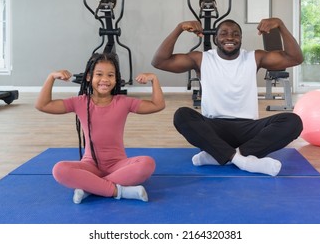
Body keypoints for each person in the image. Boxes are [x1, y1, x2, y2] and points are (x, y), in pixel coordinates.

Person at [151, 18, 303, 176]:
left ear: (241, 39)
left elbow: (295, 58)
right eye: (224, 33)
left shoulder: (254, 57)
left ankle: (220, 156)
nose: (230, 37)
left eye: (235, 34)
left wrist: (281, 25)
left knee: (293, 122)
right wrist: (179, 28)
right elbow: (160, 61)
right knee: (182, 115)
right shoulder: (201, 59)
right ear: (216, 39)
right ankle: (242, 160)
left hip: (248, 131)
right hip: (214, 130)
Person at [36, 52, 165, 204]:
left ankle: (90, 188)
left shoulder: (123, 102)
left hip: (118, 166)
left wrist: (154, 79)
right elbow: (42, 105)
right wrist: (51, 77)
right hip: (89, 165)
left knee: (147, 163)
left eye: (110, 75)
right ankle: (119, 191)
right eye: (99, 74)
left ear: (116, 79)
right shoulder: (80, 102)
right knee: (59, 170)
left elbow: (158, 105)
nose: (105, 79)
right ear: (89, 77)